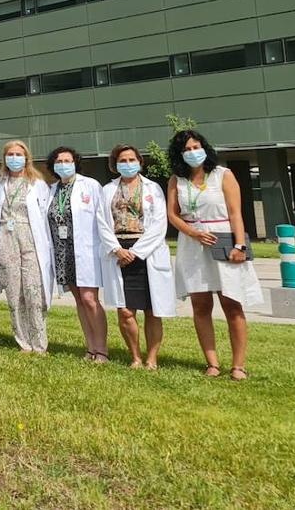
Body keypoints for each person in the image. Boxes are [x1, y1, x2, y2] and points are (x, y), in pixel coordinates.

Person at [166, 130, 262, 380]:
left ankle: (238, 365)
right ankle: (212, 363)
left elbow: (236, 213)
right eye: (186, 149)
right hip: (193, 244)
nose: (192, 152)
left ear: (205, 147)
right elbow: (173, 214)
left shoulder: (223, 175)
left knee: (232, 304)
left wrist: (239, 246)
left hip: (224, 240)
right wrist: (193, 233)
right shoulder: (177, 180)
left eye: (195, 146)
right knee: (201, 305)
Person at [96, 144, 175, 369]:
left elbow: (160, 223)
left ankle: (151, 358)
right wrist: (117, 249)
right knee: (125, 310)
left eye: (132, 159)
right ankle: (135, 357)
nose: (128, 164)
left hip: (145, 251)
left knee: (152, 309)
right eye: (123, 160)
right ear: (115, 164)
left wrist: (137, 252)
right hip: (118, 251)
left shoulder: (153, 189)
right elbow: (101, 222)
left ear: (140, 162)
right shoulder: (107, 190)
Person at [0, 140, 54, 354]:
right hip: (6, 240)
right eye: (10, 154)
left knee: (34, 291)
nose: (14, 158)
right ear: (5, 158)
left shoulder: (37, 183)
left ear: (27, 158)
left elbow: (45, 215)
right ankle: (23, 342)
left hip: (31, 238)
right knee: (15, 294)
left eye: (19, 154)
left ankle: (39, 342)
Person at [46, 147, 108, 362]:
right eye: (59, 161)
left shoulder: (90, 185)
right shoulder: (52, 190)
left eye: (67, 160)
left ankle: (102, 349)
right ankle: (90, 347)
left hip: (86, 250)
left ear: (75, 162)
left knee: (90, 299)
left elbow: (102, 219)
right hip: (64, 253)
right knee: (79, 300)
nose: (63, 164)